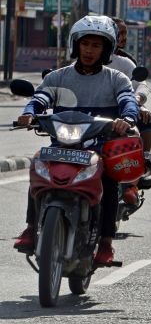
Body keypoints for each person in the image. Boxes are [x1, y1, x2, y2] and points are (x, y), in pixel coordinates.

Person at [13, 15, 139, 266]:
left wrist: (127, 119)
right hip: (62, 144)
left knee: (109, 181)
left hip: (99, 146)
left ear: (106, 49)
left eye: (96, 45)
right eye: (85, 44)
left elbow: (128, 101)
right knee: (39, 165)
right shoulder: (58, 77)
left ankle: (106, 242)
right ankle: (30, 227)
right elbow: (40, 98)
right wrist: (29, 113)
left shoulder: (117, 79)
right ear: (76, 45)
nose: (89, 50)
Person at [110, 17, 151, 152]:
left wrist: (138, 103)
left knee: (146, 117)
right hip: (92, 107)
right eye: (86, 44)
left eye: (125, 33)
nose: (90, 51)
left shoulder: (127, 61)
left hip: (122, 106)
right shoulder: (79, 64)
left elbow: (140, 85)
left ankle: (144, 159)